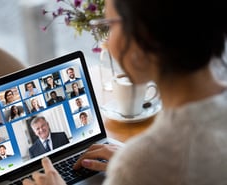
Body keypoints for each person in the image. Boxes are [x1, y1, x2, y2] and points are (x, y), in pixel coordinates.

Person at [23, 0, 227, 184]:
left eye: (110, 26)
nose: (105, 43)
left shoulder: (140, 167)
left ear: (142, 38)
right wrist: (137, 158)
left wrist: (137, 163)